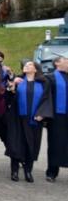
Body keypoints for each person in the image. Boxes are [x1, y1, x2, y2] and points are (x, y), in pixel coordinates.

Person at [5, 60, 52, 183]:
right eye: (25, 65)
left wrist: (42, 113)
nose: (26, 66)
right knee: (16, 144)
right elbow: (8, 98)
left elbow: (47, 99)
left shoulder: (44, 82)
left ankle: (28, 171)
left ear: (36, 69)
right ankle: (14, 171)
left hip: (34, 119)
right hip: (17, 119)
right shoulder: (18, 80)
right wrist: (12, 87)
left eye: (30, 65)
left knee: (31, 145)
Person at [46, 54, 68, 182]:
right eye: (66, 61)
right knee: (55, 143)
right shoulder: (50, 78)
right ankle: (52, 172)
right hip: (57, 117)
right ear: (57, 64)